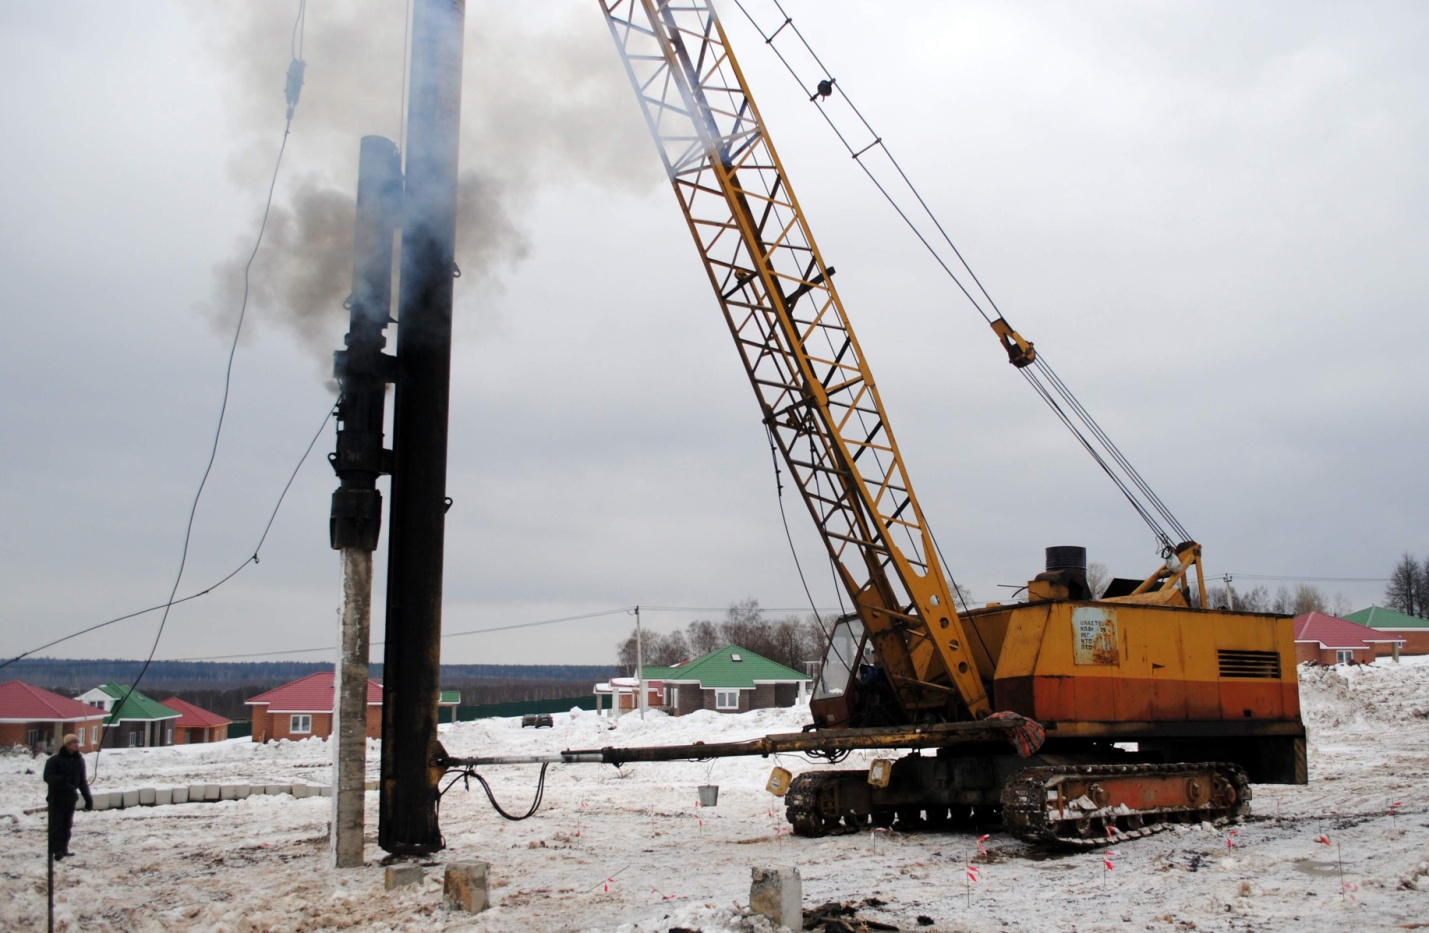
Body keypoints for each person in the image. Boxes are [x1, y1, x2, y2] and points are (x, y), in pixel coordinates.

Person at [43, 734, 92, 860]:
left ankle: (64, 849)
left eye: (77, 742)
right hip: (56, 798)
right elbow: (48, 777)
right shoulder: (54, 760)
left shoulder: (79, 760)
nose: (76, 744)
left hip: (70, 798)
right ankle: (56, 850)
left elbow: (82, 781)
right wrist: (64, 780)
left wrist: (88, 799)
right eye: (73, 742)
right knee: (57, 825)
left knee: (67, 825)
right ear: (67, 745)